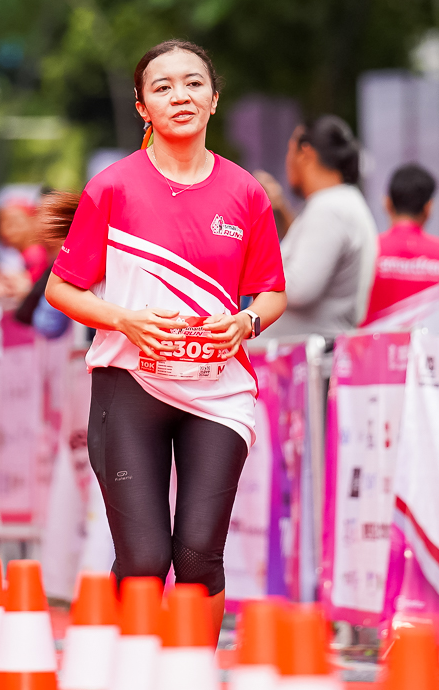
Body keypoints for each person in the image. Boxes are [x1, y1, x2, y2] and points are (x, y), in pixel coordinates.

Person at [43, 39, 287, 633]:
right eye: (163, 86)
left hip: (217, 392)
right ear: (142, 107)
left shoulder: (245, 192)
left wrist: (246, 322)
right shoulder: (113, 187)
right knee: (145, 560)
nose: (181, 95)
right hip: (130, 384)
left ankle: (194, 681)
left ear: (214, 98)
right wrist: (124, 319)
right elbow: (61, 289)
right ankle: (129, 673)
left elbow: (272, 293)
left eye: (193, 83)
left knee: (199, 557)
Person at [260, 116, 373, 339]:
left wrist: (244, 262)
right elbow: (308, 257)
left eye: (289, 151)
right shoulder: (340, 202)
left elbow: (299, 288)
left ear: (306, 153)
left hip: (309, 356)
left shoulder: (330, 208)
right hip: (314, 351)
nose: (287, 161)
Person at [362, 164, 439, 331]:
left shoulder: (365, 253)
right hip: (431, 349)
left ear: (387, 203)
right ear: (429, 207)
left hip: (370, 348)